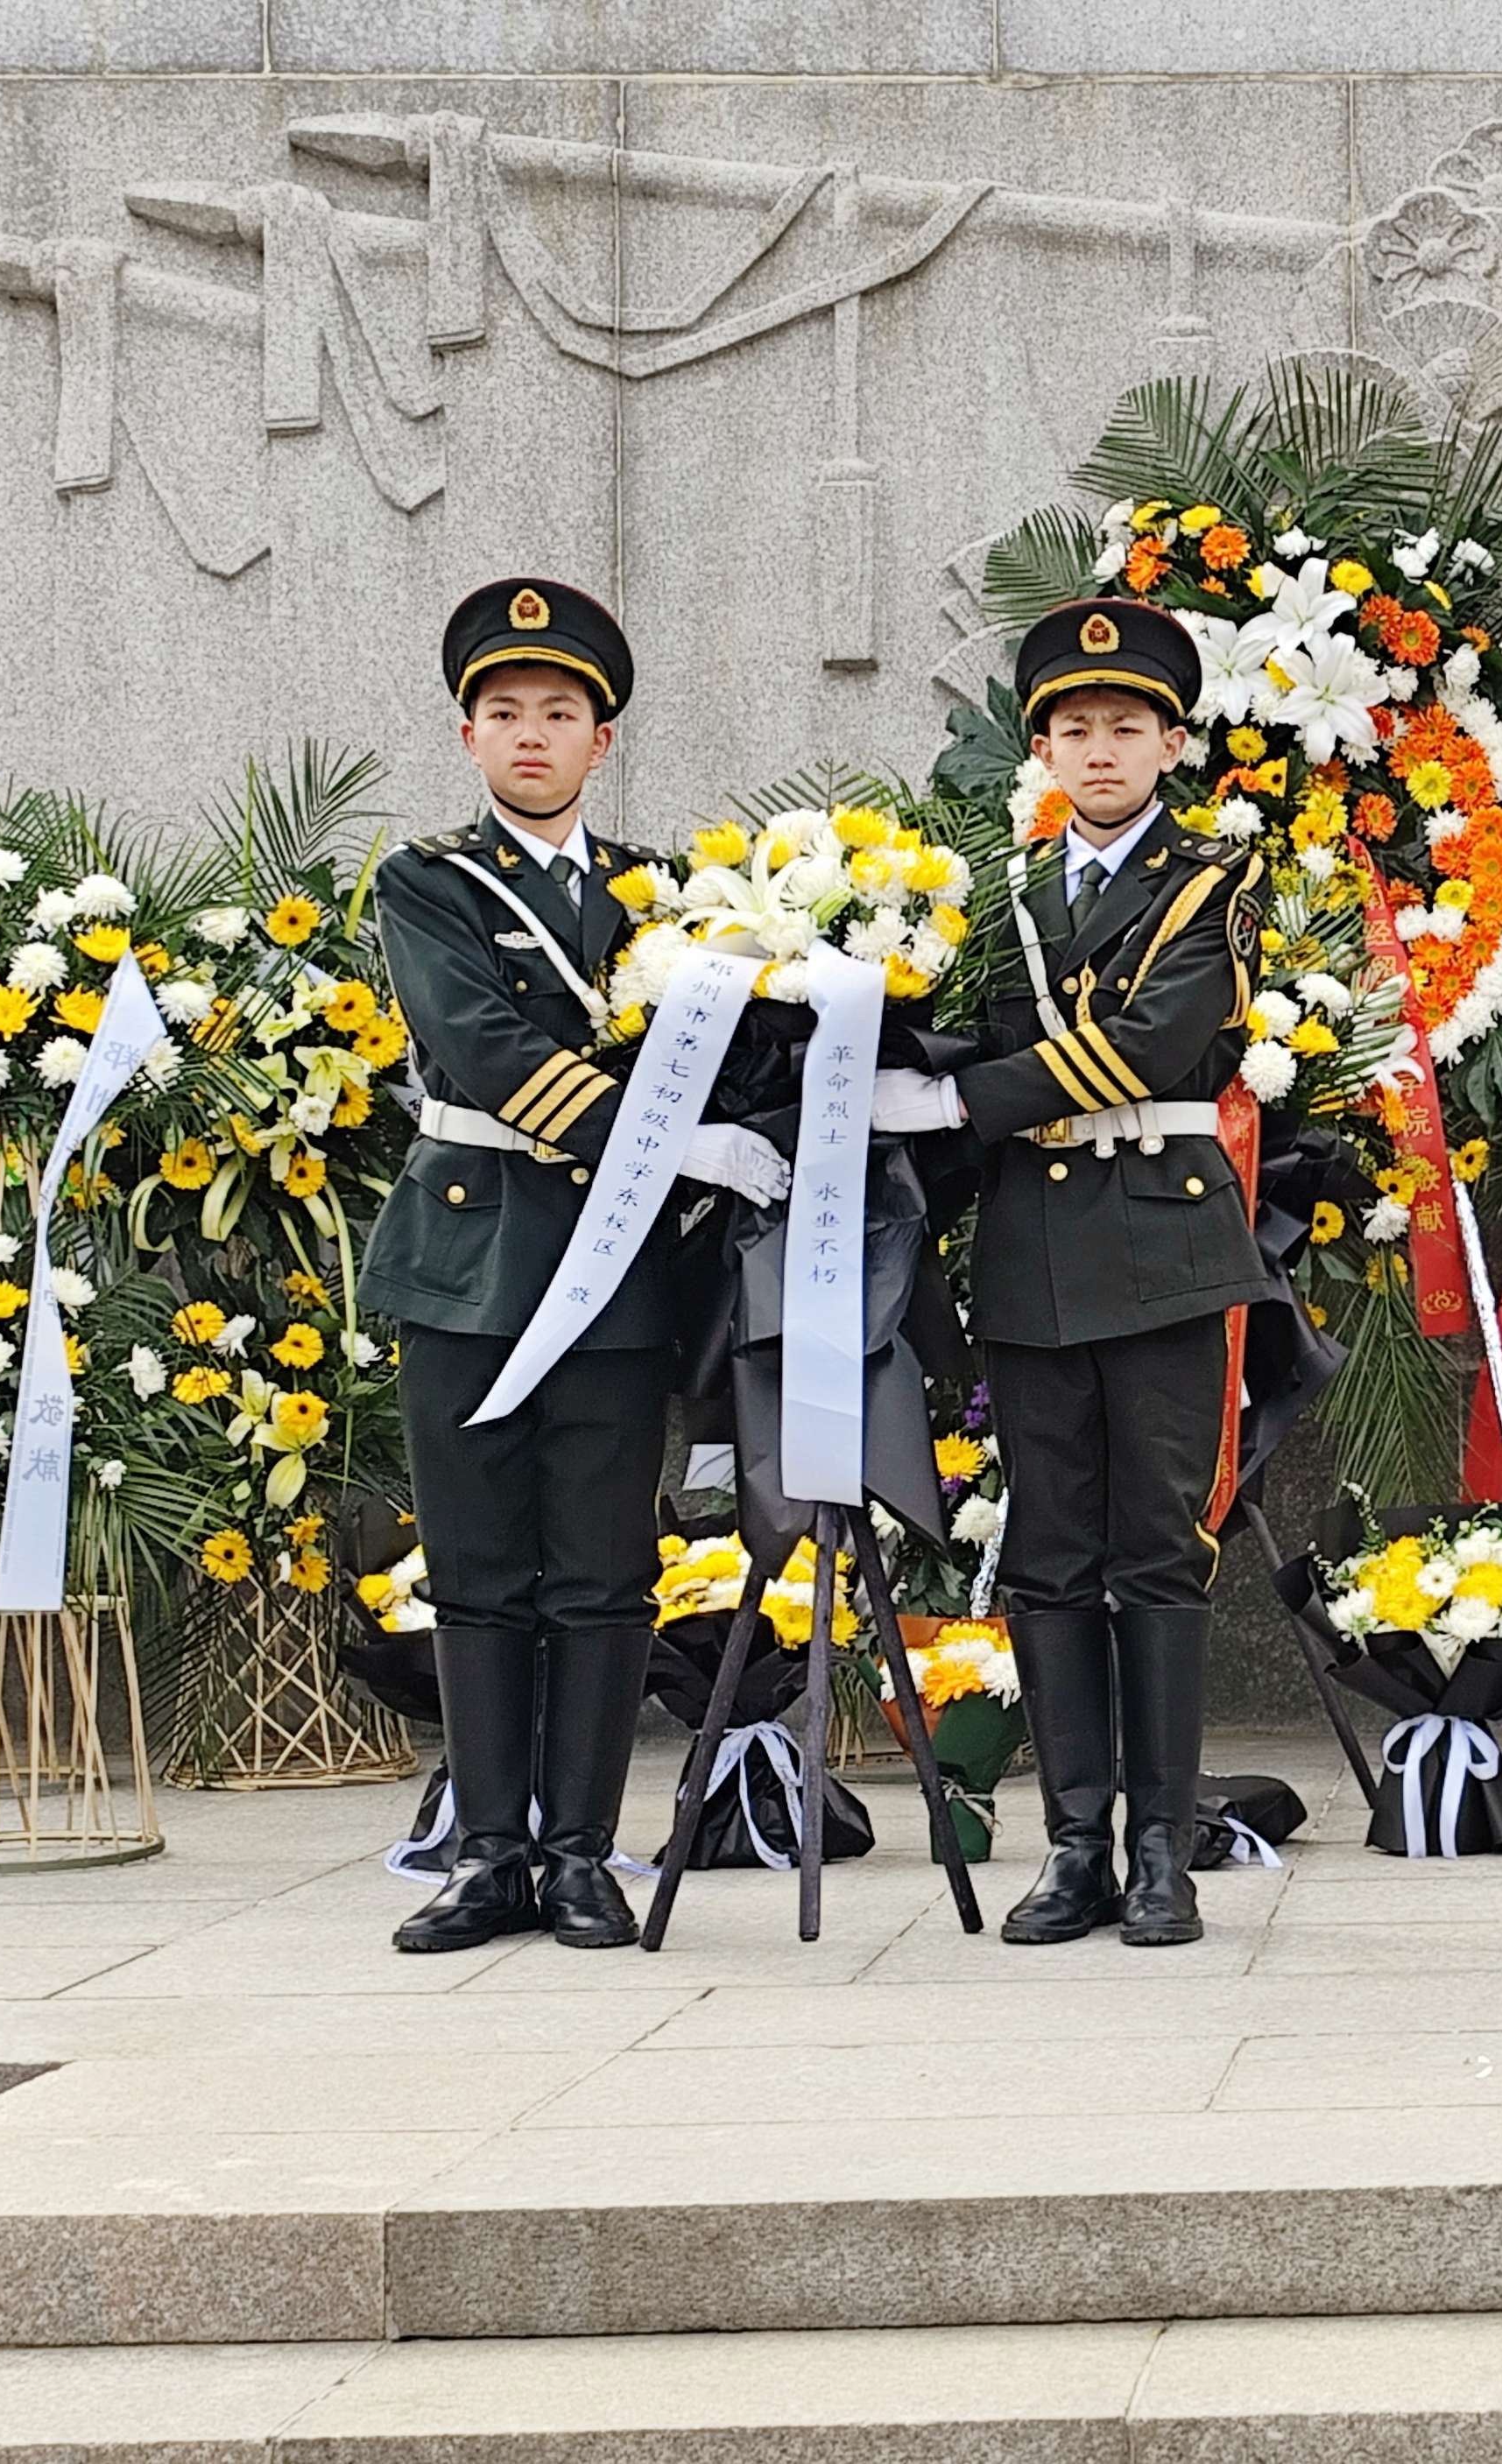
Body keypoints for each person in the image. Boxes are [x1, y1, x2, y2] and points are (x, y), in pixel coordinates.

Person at [366, 578, 792, 1954]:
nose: (532, 734)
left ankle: (580, 1853)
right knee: (479, 1568)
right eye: (505, 712)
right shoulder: (427, 882)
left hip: (616, 1281)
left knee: (604, 1573)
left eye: (559, 712)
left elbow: (731, 1045)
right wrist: (671, 1142)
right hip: (468, 1258)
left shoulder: (665, 895)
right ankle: (489, 1853)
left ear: (601, 739)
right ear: (468, 734)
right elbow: (483, 1049)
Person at [866, 598, 1267, 1948]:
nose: (1101, 750)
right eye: (1076, 728)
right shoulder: (1000, 897)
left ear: (1171, 744)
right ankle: (1076, 1845)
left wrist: (958, 1101)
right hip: (1036, 1252)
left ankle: (1162, 1851)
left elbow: (1150, 1044)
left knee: (1157, 1551)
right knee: (1046, 1555)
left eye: (1127, 726)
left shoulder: (1213, 882)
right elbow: (957, 1026)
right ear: (1041, 747)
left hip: (1161, 1242)